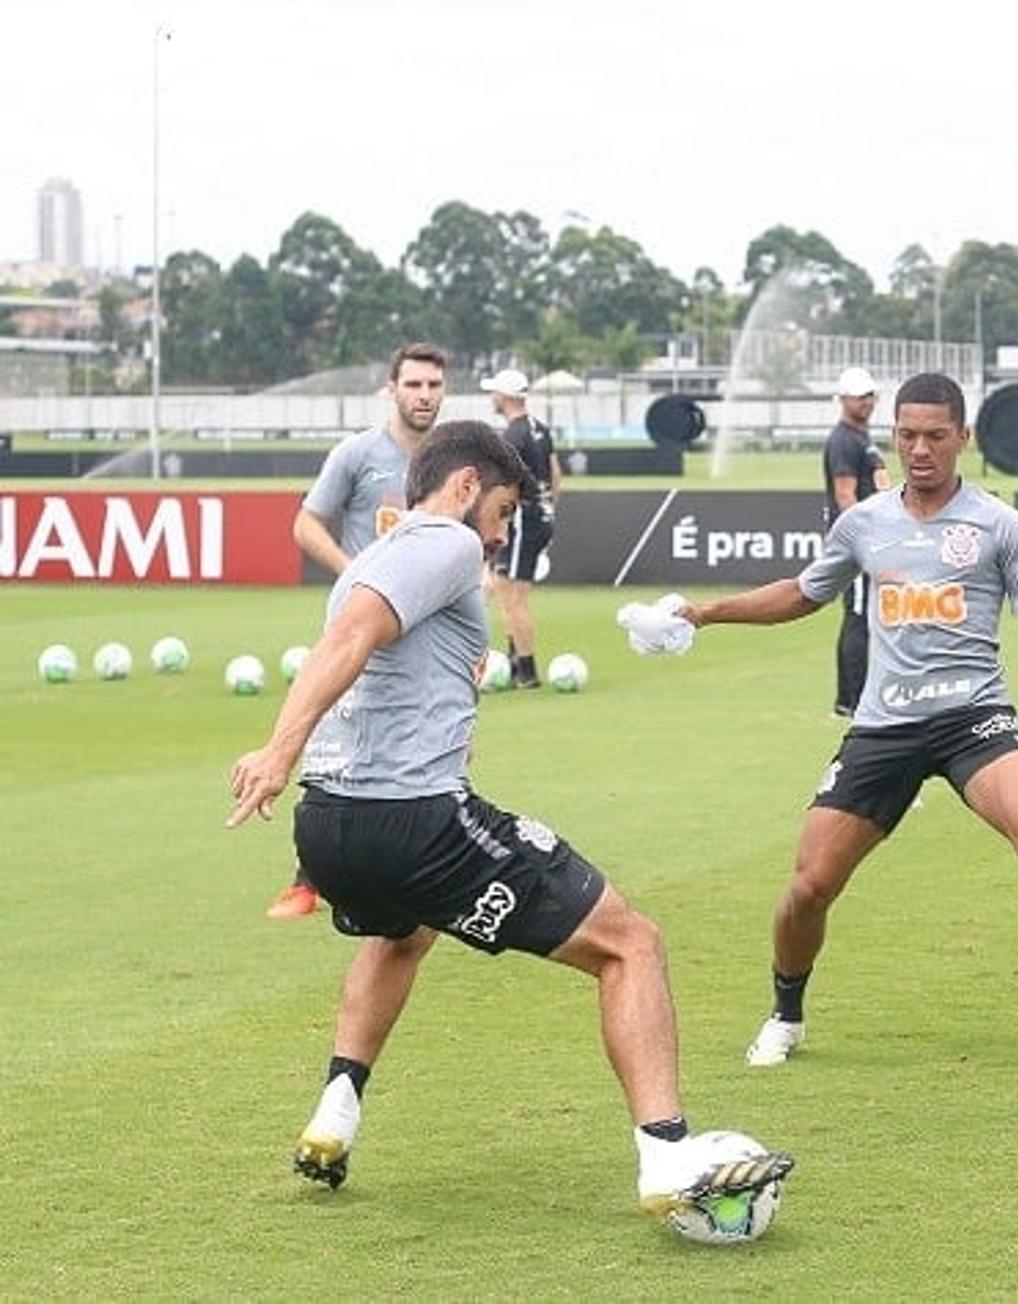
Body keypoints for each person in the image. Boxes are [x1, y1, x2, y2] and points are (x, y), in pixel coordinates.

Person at [225, 420, 792, 1214]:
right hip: (411, 820)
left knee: (403, 933)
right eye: (503, 508)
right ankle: (666, 1156)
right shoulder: (446, 544)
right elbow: (353, 639)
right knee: (631, 944)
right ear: (463, 488)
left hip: (329, 825)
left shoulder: (378, 553)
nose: (503, 529)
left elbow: (366, 654)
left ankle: (336, 1113)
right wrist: (277, 750)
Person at [669, 372, 1018, 1067]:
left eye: (936, 435)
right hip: (885, 727)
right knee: (810, 884)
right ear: (893, 437)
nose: (921, 449)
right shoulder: (865, 522)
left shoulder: (1000, 524)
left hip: (975, 715)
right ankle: (786, 1013)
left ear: (963, 437)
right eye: (908, 435)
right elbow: (804, 594)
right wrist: (707, 612)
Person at [266, 341, 448, 920]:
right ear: (391, 389)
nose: (424, 395)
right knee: (337, 740)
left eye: (433, 385)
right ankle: (306, 877)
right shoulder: (358, 454)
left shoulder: (451, 462)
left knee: (438, 737)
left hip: (429, 631)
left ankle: (425, 860)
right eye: (414, 384)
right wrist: (357, 573)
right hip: (362, 628)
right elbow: (305, 524)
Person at [480, 366, 561, 689]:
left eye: (494, 392)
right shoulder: (540, 429)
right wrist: (549, 511)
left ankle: (526, 670)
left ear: (505, 396)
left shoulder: (513, 435)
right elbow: (556, 476)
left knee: (511, 597)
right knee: (512, 592)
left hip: (524, 520)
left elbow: (503, 485)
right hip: (541, 515)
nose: (492, 398)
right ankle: (515, 661)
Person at [821, 365, 890, 717]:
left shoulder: (862, 437)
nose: (866, 402)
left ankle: (854, 698)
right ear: (843, 399)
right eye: (859, 396)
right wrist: (866, 538)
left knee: (865, 616)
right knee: (859, 616)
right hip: (859, 541)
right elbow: (845, 496)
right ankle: (850, 701)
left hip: (869, 537)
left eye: (869, 396)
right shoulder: (845, 440)